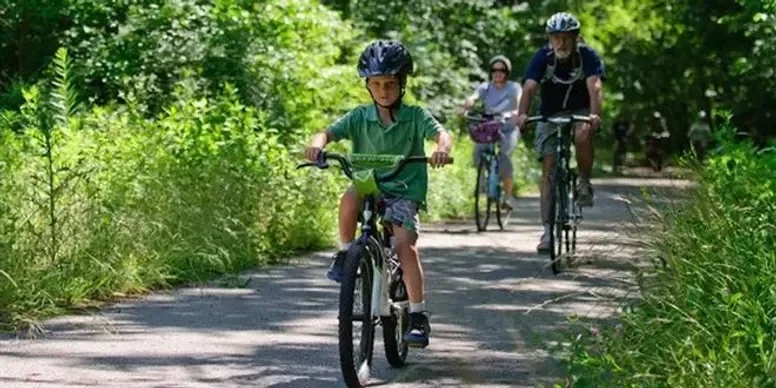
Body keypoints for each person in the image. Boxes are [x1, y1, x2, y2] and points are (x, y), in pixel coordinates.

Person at [304, 40, 453, 348]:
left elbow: (442, 134)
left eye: (390, 84)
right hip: (368, 182)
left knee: (403, 245)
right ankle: (346, 253)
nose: (384, 90)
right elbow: (327, 132)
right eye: (376, 84)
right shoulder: (359, 117)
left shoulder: (414, 116)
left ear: (402, 84)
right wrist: (318, 145)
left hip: (404, 189)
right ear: (368, 86)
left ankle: (418, 316)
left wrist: (441, 149)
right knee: (348, 199)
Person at [512, 12, 605, 253]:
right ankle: (547, 232)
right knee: (548, 171)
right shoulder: (542, 57)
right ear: (550, 39)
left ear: (575, 38)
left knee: (583, 134)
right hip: (549, 113)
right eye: (556, 38)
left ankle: (584, 182)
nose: (560, 43)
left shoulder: (587, 56)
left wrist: (594, 115)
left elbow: (594, 87)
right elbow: (530, 87)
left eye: (565, 38)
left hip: (580, 110)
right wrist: (522, 114)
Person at [461, 55, 523, 208]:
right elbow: (474, 96)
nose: (498, 73)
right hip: (490, 127)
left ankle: (507, 197)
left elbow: (520, 100)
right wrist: (468, 103)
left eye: (501, 70)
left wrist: (517, 113)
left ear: (507, 72)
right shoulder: (486, 87)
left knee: (504, 156)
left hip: (508, 127)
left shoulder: (514, 87)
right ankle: (482, 183)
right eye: (494, 70)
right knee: (478, 150)